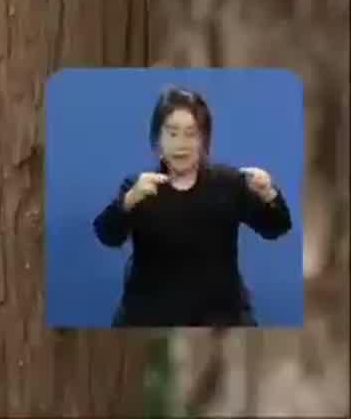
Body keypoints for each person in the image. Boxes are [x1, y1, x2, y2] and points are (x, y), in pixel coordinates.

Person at [90, 85, 293, 327]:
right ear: (158, 140)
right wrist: (128, 201)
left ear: (203, 139)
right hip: (149, 318)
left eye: (190, 133)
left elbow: (276, 227)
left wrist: (269, 193)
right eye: (172, 133)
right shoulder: (141, 187)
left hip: (221, 319)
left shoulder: (227, 183)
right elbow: (107, 235)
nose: (181, 144)